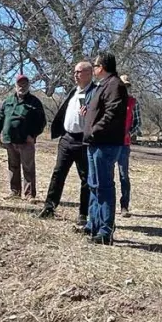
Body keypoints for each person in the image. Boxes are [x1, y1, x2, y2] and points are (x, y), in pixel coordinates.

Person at [38, 61, 95, 225]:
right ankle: (49, 207)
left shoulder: (94, 92)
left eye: (79, 72)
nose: (75, 74)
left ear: (89, 73)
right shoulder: (74, 91)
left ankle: (83, 214)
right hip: (67, 138)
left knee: (85, 178)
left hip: (83, 141)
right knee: (58, 173)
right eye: (75, 72)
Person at [80, 52, 128, 245]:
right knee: (94, 184)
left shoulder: (115, 85)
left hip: (105, 143)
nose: (94, 69)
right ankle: (94, 223)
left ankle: (106, 230)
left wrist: (94, 130)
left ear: (103, 67)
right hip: (94, 143)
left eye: (96, 65)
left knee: (104, 186)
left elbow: (112, 114)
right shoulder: (102, 85)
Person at [0, 74, 47, 202]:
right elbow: (0, 118)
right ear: (15, 85)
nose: (22, 87)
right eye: (19, 84)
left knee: (28, 168)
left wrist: (33, 135)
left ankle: (29, 194)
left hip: (26, 141)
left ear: (28, 86)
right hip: (9, 140)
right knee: (13, 166)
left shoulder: (34, 102)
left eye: (24, 84)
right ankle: (15, 192)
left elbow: (42, 122)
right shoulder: (8, 101)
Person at [117, 74, 141, 217]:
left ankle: (124, 206)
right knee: (106, 175)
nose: (123, 88)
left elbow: (138, 123)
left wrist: (129, 133)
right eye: (121, 86)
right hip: (109, 143)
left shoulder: (133, 102)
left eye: (126, 86)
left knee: (123, 175)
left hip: (124, 145)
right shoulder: (110, 100)